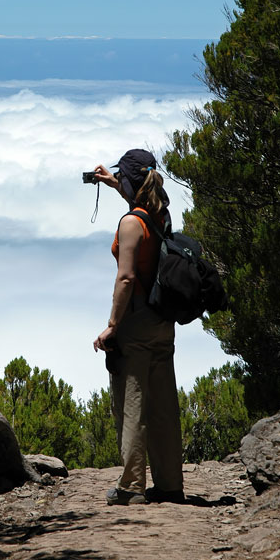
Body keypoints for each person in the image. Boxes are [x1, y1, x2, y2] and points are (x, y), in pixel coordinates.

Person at [93, 148, 184, 506]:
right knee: (163, 405)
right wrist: (116, 184)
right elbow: (143, 199)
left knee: (132, 403)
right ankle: (170, 484)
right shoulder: (160, 215)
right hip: (164, 319)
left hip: (136, 321)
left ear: (132, 178)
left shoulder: (130, 224)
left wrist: (112, 326)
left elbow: (127, 277)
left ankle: (131, 486)